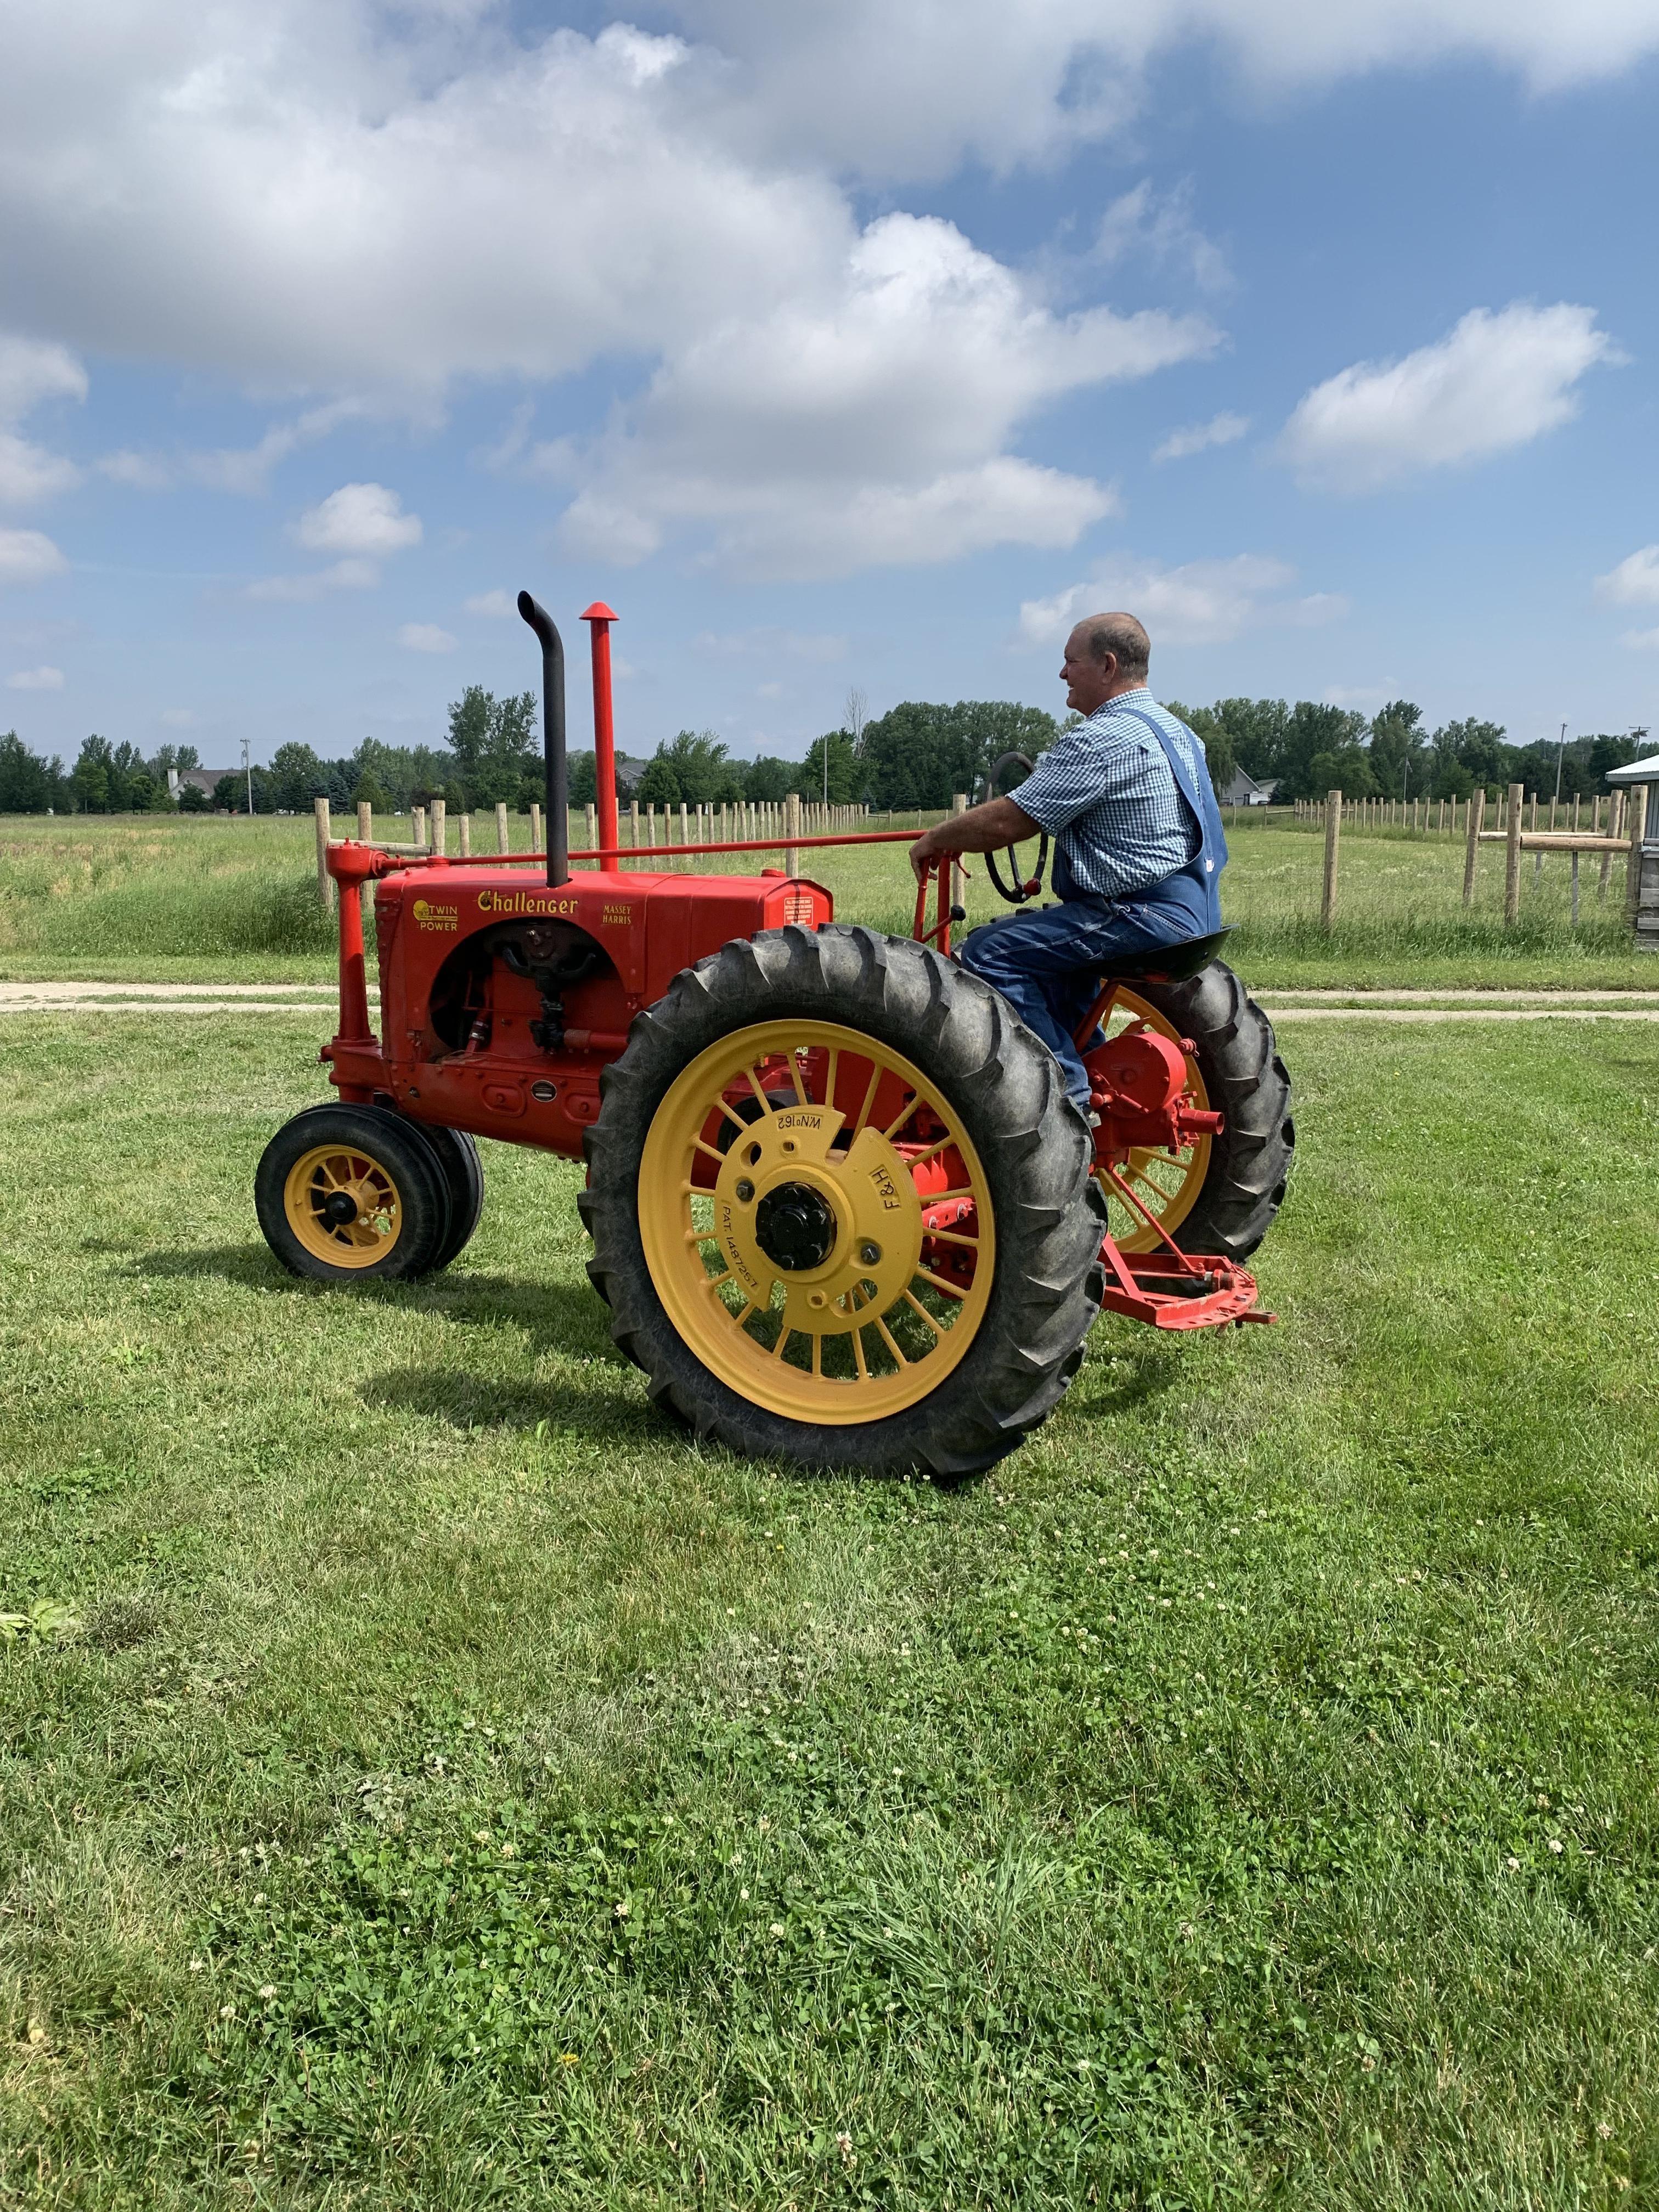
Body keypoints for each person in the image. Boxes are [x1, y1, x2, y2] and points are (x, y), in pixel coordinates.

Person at [909, 611, 1227, 1111]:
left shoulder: (1103, 740)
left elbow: (1009, 822)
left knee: (990, 952)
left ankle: (1065, 1097)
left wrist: (936, 839)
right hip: (1195, 913)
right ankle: (1099, 1079)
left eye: (1069, 661)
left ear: (1107, 665)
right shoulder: (1182, 734)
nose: (1061, 674)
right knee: (1054, 951)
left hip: (1140, 914)